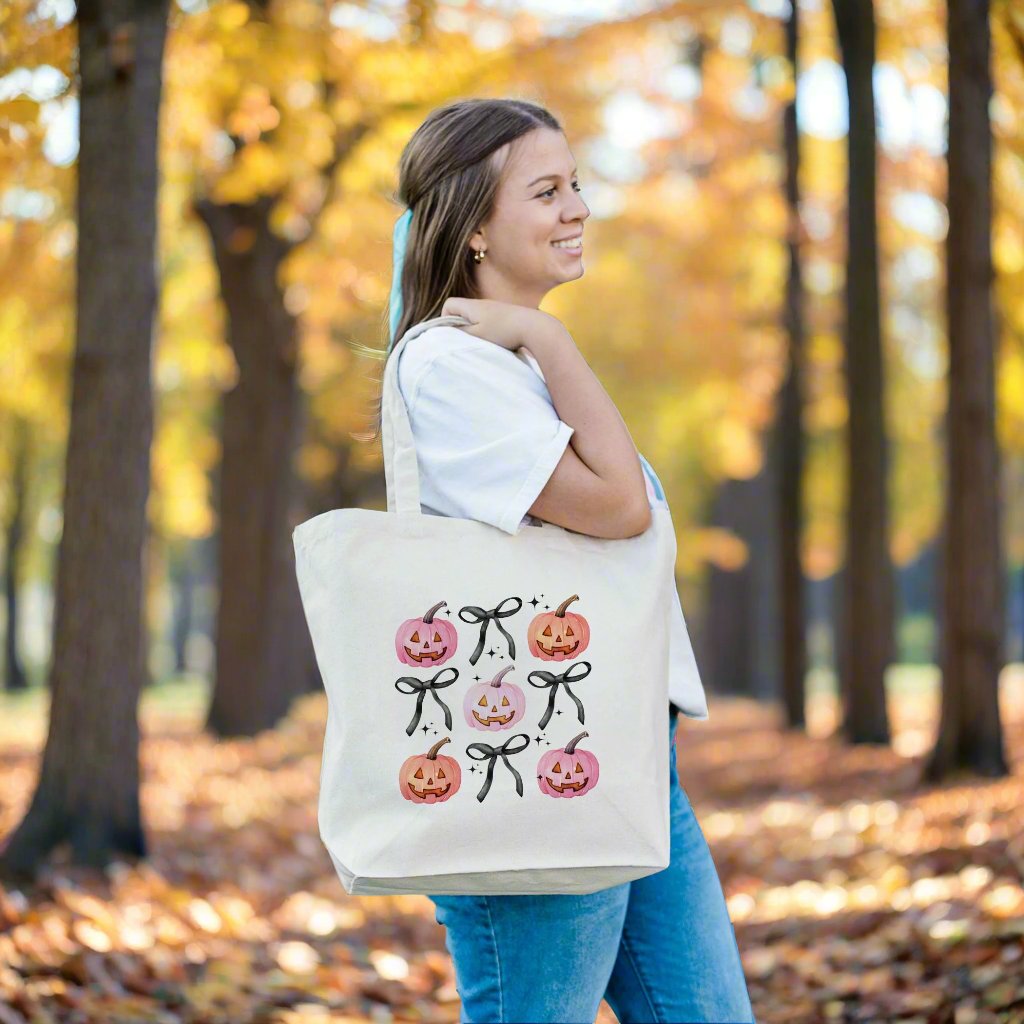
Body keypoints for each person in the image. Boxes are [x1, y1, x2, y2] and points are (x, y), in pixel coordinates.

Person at [369, 97, 755, 1024]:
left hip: (618, 756)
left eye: (575, 183)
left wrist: (541, 347)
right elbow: (619, 509)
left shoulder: (509, 365)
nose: (579, 207)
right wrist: (550, 335)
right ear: (471, 229)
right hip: (536, 762)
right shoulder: (452, 368)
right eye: (547, 191)